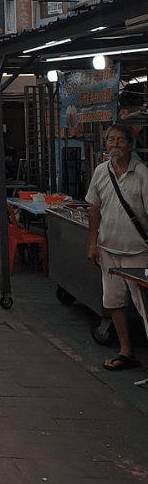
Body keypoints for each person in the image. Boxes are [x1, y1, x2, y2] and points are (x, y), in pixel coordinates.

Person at [86, 122, 148, 371]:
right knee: (113, 302)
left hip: (138, 252)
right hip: (108, 250)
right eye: (110, 140)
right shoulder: (101, 171)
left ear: (130, 146)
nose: (114, 145)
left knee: (145, 306)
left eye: (119, 140)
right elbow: (93, 207)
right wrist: (92, 243)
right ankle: (126, 352)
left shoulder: (142, 174)